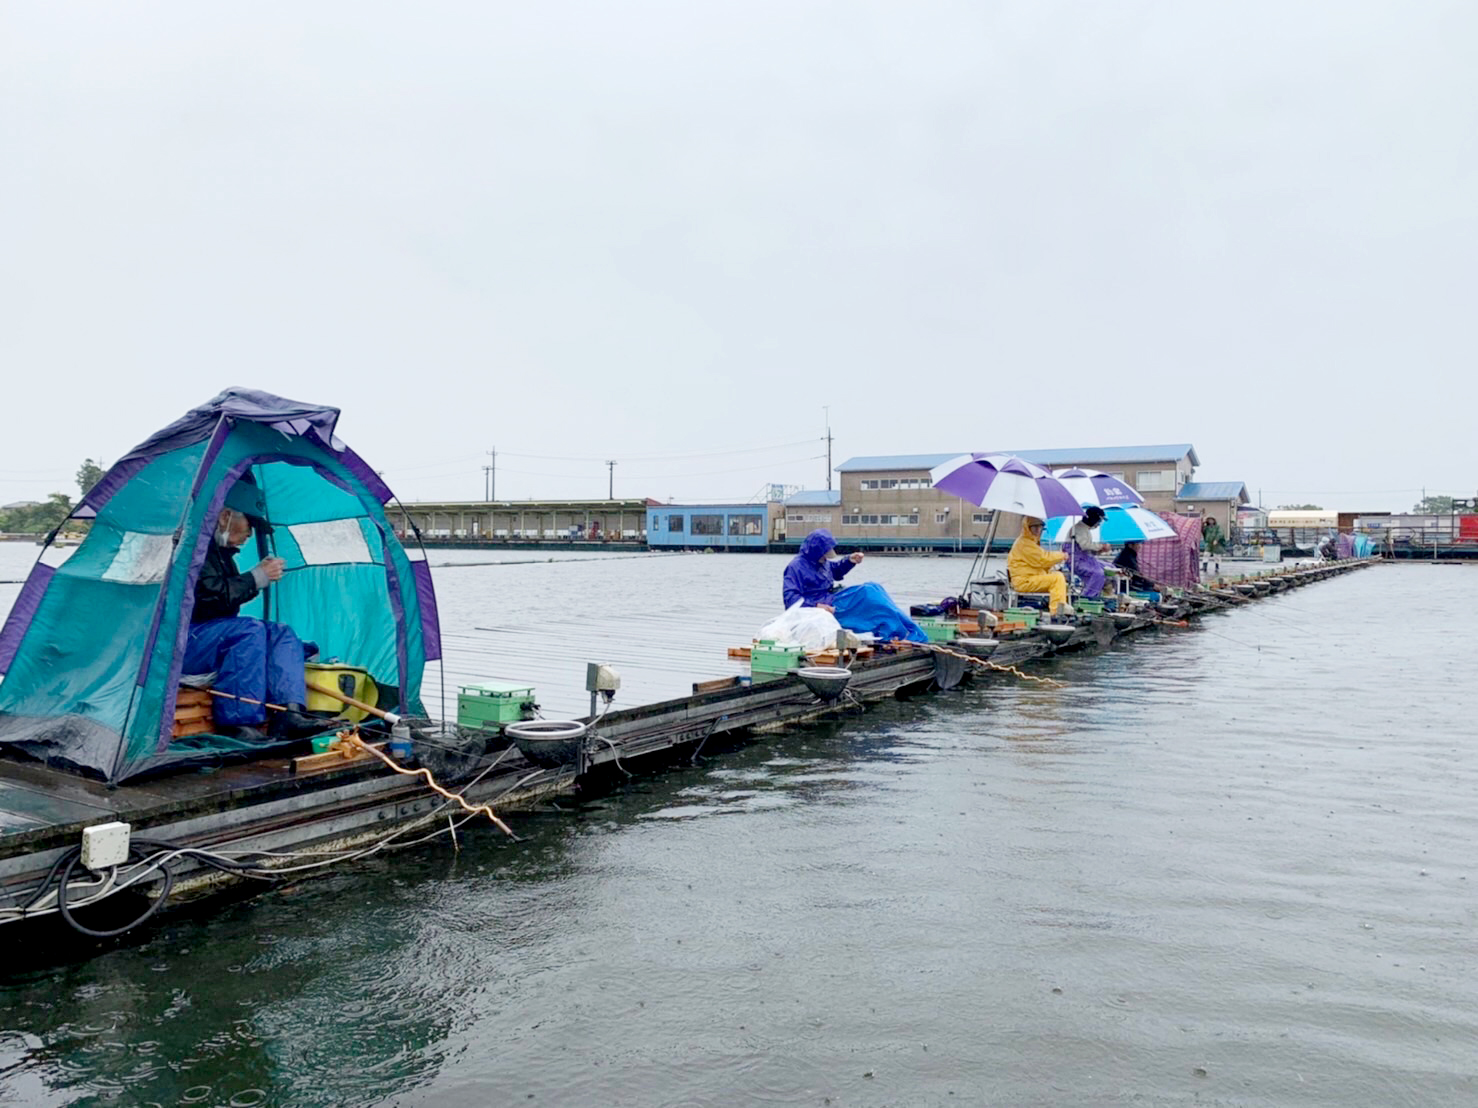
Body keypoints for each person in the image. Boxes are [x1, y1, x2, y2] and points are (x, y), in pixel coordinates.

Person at [182, 479, 320, 742]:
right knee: (248, 631)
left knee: (280, 632)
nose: (250, 534)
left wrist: (254, 578)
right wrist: (256, 577)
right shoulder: (194, 551)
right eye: (250, 525)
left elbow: (223, 600)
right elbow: (208, 599)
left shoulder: (223, 555)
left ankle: (289, 713)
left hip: (206, 638)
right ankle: (239, 722)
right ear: (224, 517)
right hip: (181, 643)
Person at [781, 529, 926, 642]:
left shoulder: (821, 562)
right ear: (815, 551)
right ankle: (896, 630)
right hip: (822, 606)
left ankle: (903, 627)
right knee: (868, 594)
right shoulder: (796, 567)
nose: (825, 558)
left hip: (832, 598)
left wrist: (849, 560)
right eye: (824, 555)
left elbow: (834, 570)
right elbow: (790, 599)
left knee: (873, 587)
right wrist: (816, 606)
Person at [1007, 517, 1070, 617]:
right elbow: (1042, 559)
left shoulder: (1030, 542)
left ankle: (1061, 609)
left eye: (1040, 526)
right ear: (1027, 528)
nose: (1037, 529)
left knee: (1058, 578)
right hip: (1024, 581)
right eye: (1034, 527)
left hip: (1028, 579)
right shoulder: (1024, 543)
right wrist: (1062, 556)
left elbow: (1037, 564)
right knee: (1057, 578)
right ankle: (1057, 613)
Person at [1067, 506, 1108, 599]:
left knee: (1111, 569)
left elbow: (1088, 551)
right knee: (1098, 573)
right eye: (1099, 521)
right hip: (1077, 561)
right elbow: (1085, 545)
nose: (1099, 524)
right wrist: (1101, 546)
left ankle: (1107, 594)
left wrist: (1099, 551)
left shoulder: (1085, 530)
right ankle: (1088, 598)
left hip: (1086, 560)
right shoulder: (1078, 529)